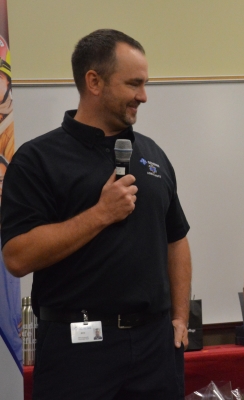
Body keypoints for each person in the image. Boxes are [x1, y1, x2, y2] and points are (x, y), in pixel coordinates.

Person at [1, 29, 191, 399]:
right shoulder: (38, 159)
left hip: (155, 348)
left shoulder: (152, 153)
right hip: (78, 351)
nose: (144, 96)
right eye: (133, 84)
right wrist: (100, 213)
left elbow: (177, 240)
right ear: (94, 81)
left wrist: (180, 317)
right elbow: (17, 256)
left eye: (145, 84)